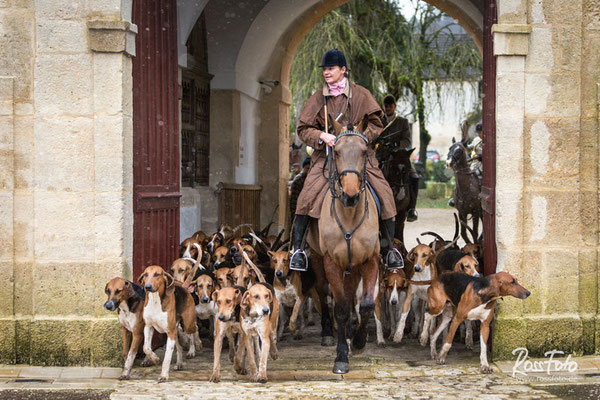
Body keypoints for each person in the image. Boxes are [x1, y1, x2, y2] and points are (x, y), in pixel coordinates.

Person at [289, 49, 403, 271]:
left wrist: (361, 139)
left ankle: (390, 249)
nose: (326, 73)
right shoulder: (318, 98)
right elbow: (303, 128)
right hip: (328, 156)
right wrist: (322, 136)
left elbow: (377, 123)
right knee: (306, 195)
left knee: (385, 193)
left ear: (343, 70)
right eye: (324, 69)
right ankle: (299, 250)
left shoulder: (361, 94)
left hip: (360, 155)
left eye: (331, 69)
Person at [377, 94, 420, 222]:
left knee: (414, 177)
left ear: (394, 107)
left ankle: (411, 209)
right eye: (386, 106)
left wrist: (396, 145)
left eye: (390, 106)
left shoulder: (402, 122)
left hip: (399, 157)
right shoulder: (378, 122)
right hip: (382, 157)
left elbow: (407, 140)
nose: (388, 108)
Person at [289, 157, 311, 223]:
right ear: (304, 168)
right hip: (301, 213)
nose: (309, 171)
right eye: (307, 168)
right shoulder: (298, 181)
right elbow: (294, 201)